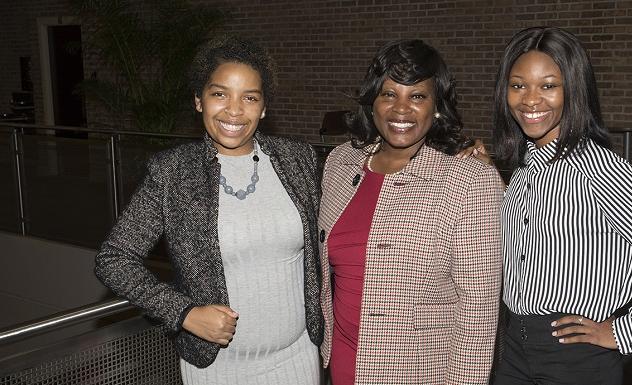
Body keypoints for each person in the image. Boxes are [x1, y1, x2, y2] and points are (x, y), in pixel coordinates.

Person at [485, 26, 632, 385]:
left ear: (573, 90)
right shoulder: (522, 171)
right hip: (515, 346)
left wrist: (626, 330)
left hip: (575, 356)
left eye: (548, 85)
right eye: (518, 85)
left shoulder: (599, 168)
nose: (530, 100)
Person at [95, 35, 323, 384]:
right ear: (199, 101)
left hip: (296, 361)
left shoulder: (299, 160)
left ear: (264, 108)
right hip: (217, 371)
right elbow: (114, 258)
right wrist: (183, 313)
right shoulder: (172, 173)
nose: (234, 110)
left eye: (249, 97)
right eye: (220, 94)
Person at [317, 39, 504, 384]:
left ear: (437, 106)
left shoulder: (469, 180)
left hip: (419, 372)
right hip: (342, 363)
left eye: (417, 96)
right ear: (372, 101)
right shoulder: (340, 163)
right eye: (389, 94)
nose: (400, 109)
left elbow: (478, 310)